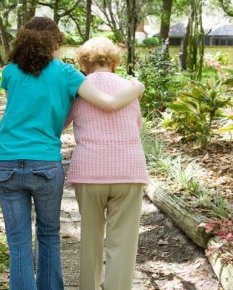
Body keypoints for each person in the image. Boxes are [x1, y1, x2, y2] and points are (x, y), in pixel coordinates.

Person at [0, 18, 145, 290]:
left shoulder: (10, 71)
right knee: (49, 235)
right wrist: (137, 88)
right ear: (54, 43)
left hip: (6, 161)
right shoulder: (66, 74)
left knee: (18, 243)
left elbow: (20, 111)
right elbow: (110, 105)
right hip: (45, 164)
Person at [64, 37, 148, 290]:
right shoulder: (130, 88)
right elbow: (137, 127)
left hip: (89, 172)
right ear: (114, 62)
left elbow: (61, 124)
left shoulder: (78, 88)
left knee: (91, 239)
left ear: (84, 63)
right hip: (129, 171)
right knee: (122, 243)